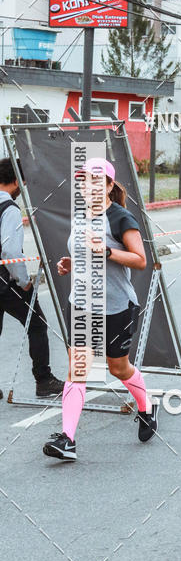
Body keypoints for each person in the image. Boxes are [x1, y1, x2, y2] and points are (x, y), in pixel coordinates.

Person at [43, 158, 158, 462]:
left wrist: (105, 251)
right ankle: (67, 438)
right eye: (83, 181)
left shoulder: (120, 218)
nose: (88, 186)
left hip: (116, 306)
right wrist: (70, 264)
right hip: (82, 304)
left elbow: (140, 260)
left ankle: (146, 406)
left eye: (96, 181)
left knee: (118, 367)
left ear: (108, 186)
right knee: (78, 369)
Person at [0, 157, 64, 400]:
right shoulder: (9, 209)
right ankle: (44, 379)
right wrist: (23, 281)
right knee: (37, 324)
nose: (22, 189)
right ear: (16, 180)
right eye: (23, 183)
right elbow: (11, 252)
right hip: (6, 282)